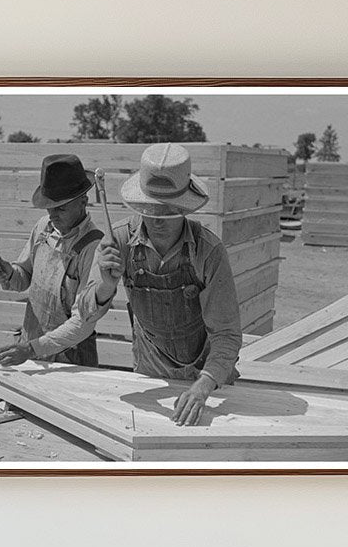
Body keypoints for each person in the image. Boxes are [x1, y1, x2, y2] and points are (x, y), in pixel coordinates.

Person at [77, 143, 242, 426]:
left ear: (186, 206)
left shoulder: (208, 251)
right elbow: (83, 313)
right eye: (149, 208)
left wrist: (204, 386)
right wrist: (105, 286)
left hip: (206, 373)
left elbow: (227, 334)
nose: (157, 220)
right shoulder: (118, 242)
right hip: (149, 369)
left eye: (168, 211)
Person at [0, 153, 103, 367]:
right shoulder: (43, 228)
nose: (53, 215)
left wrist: (32, 349)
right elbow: (24, 278)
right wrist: (9, 274)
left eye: (61, 208)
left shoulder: (94, 247)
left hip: (71, 357)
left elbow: (83, 322)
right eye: (49, 207)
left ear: (84, 202)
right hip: (30, 346)